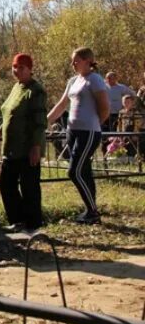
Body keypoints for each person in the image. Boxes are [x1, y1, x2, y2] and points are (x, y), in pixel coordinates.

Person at [47, 47, 109, 224]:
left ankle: (93, 211)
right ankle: (91, 210)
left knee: (74, 171)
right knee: (85, 172)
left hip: (88, 132)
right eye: (72, 60)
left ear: (87, 61)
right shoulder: (73, 81)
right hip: (72, 131)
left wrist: (95, 123)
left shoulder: (95, 79)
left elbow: (104, 107)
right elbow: (61, 105)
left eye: (76, 60)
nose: (73, 64)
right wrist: (45, 121)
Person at [0, 53, 47, 233]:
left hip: (27, 147)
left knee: (29, 187)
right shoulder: (16, 87)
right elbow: (9, 114)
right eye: (14, 67)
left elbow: (39, 122)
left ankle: (34, 225)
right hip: (11, 148)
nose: (17, 71)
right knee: (6, 184)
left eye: (21, 67)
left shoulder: (36, 91)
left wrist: (36, 147)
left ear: (30, 69)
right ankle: (18, 220)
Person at [103, 72, 133, 151]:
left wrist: (128, 104)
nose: (110, 80)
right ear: (106, 79)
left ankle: (119, 151)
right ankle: (106, 153)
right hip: (106, 115)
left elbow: (132, 94)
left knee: (117, 134)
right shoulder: (103, 87)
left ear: (116, 79)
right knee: (106, 136)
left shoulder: (121, 87)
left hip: (118, 115)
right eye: (109, 78)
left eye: (112, 78)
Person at [117, 94, 142, 161]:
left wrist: (135, 133)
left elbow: (138, 123)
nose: (127, 104)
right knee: (124, 147)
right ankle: (124, 160)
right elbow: (119, 124)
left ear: (132, 103)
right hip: (124, 132)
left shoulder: (135, 112)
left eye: (128, 102)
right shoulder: (121, 112)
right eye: (125, 102)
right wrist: (119, 134)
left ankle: (133, 159)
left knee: (132, 147)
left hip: (133, 132)